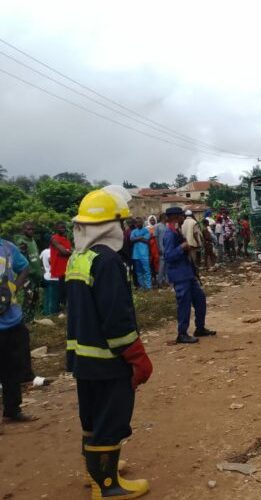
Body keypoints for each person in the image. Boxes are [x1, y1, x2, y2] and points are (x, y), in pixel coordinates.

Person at [66, 187, 152, 498]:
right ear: (111, 226)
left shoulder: (80, 258)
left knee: (91, 419)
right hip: (107, 359)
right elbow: (116, 318)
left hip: (83, 359)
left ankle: (97, 472)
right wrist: (136, 355)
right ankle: (107, 486)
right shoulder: (108, 261)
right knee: (110, 419)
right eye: (123, 224)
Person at [163, 207, 216, 344]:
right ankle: (182, 334)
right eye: (181, 216)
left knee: (200, 299)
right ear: (175, 217)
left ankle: (200, 328)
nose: (183, 218)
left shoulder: (176, 230)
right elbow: (168, 256)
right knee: (184, 305)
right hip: (180, 275)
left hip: (188, 273)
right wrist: (182, 248)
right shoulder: (169, 234)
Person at [0, 237, 36, 427]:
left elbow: (24, 267)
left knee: (14, 368)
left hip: (12, 319)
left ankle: (12, 410)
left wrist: (14, 287)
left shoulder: (7, 247)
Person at [14, 222, 43, 322]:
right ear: (23, 230)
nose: (31, 231)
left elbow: (35, 257)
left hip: (36, 277)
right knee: (28, 299)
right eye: (28, 229)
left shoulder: (33, 241)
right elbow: (21, 261)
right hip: (28, 277)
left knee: (35, 299)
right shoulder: (22, 242)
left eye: (32, 229)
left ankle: (31, 320)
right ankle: (23, 322)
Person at [49, 221, 72, 308]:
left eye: (63, 227)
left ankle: (65, 309)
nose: (62, 229)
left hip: (67, 269)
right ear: (56, 228)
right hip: (59, 270)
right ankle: (60, 310)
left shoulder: (66, 239)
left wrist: (67, 251)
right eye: (60, 227)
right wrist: (68, 251)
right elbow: (64, 251)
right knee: (61, 293)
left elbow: (68, 251)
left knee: (66, 291)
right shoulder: (54, 238)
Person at [130, 217, 152, 290]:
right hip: (136, 255)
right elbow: (131, 239)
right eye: (137, 222)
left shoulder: (146, 230)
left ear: (142, 223)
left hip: (144, 254)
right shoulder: (133, 231)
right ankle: (142, 286)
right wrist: (141, 237)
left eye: (140, 222)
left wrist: (137, 238)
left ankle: (148, 287)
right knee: (139, 272)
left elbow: (146, 240)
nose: (138, 224)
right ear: (135, 224)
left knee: (147, 271)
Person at [40, 247, 59, 315]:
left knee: (47, 296)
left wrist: (43, 270)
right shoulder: (56, 252)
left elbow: (40, 260)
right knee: (53, 298)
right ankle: (52, 314)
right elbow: (50, 260)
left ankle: (46, 312)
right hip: (54, 278)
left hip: (46, 276)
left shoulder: (44, 251)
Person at [154, 213, 169, 287]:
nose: (168, 218)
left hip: (168, 248)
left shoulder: (167, 226)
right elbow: (156, 238)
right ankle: (159, 281)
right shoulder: (157, 226)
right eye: (167, 216)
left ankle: (166, 281)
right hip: (161, 248)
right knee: (161, 266)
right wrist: (158, 248)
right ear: (163, 217)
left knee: (167, 265)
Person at [146, 216, 160, 286]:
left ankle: (158, 278)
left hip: (156, 247)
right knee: (150, 263)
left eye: (153, 220)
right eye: (151, 220)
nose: (152, 221)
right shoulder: (146, 229)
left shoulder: (157, 227)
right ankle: (153, 278)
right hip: (149, 247)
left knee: (157, 263)